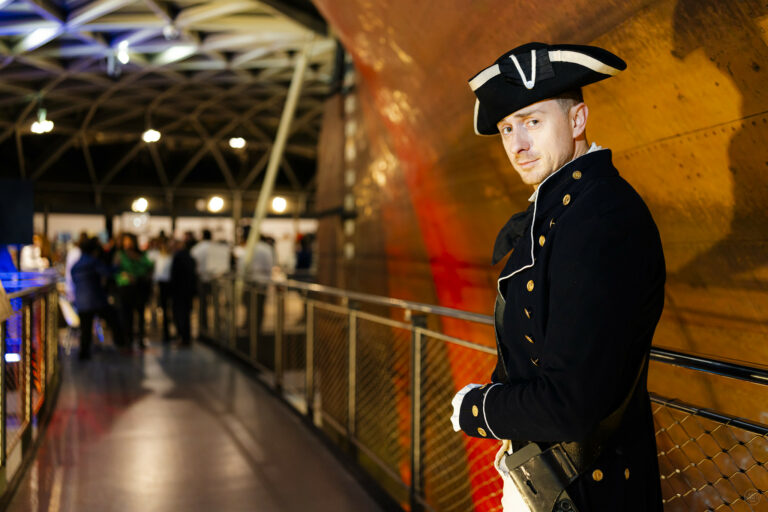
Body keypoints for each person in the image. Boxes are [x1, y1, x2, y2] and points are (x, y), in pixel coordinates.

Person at [451, 43, 665, 511]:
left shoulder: (602, 215)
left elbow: (571, 402)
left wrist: (479, 408)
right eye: (507, 128)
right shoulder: (566, 209)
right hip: (546, 480)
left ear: (577, 120)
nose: (517, 144)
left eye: (532, 121)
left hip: (589, 490)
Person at [71, 237, 125, 359]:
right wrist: (117, 266)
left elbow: (74, 280)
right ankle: (121, 344)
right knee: (113, 319)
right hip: (96, 300)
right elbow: (107, 272)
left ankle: (84, 354)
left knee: (85, 329)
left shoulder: (77, 264)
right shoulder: (93, 262)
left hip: (81, 302)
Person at [114, 233, 153, 349]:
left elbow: (149, 266)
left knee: (140, 314)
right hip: (126, 288)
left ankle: (141, 338)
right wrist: (123, 277)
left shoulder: (141, 254)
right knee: (127, 315)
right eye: (126, 241)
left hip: (139, 287)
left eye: (130, 241)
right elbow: (115, 271)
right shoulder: (120, 255)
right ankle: (128, 339)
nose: (128, 244)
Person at [170, 238, 197, 346]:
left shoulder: (178, 257)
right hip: (187, 291)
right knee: (186, 315)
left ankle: (183, 337)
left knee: (180, 315)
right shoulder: (190, 257)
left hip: (179, 292)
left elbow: (175, 276)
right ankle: (186, 337)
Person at [147, 234, 173, 343]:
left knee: (166, 308)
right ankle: (158, 328)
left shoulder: (170, 257)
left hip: (167, 284)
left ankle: (166, 331)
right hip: (159, 284)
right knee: (157, 306)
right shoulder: (157, 256)